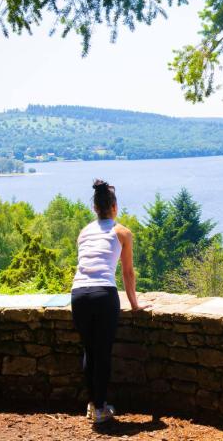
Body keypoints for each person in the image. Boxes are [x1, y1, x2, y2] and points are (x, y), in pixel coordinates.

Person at [70, 179, 150, 424]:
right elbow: (127, 273)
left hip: (79, 294)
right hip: (103, 294)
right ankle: (101, 409)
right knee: (102, 352)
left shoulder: (84, 232)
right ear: (114, 207)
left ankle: (93, 404)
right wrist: (135, 305)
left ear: (95, 208)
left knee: (89, 351)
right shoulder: (122, 233)